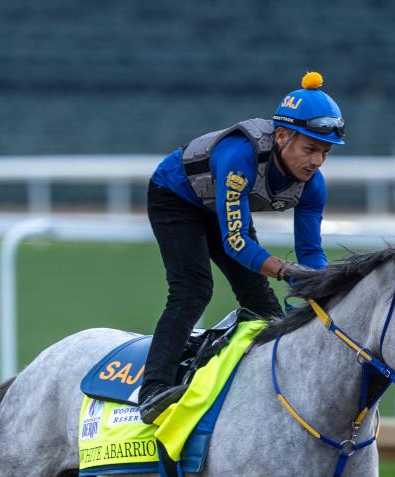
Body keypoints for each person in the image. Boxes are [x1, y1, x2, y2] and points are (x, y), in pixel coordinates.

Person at [137, 71, 345, 424]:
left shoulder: (314, 186)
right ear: (282, 137)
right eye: (310, 149)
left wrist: (322, 289)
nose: (317, 162)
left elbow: (310, 253)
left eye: (324, 152)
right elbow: (236, 244)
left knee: (261, 302)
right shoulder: (239, 157)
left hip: (222, 205)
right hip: (176, 198)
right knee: (193, 290)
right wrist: (285, 270)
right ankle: (153, 391)